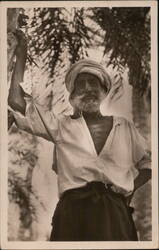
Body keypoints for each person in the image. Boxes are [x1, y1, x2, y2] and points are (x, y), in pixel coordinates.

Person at [8, 30, 151, 241]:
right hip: (72, 212)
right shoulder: (62, 125)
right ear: (72, 94)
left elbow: (149, 163)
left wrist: (128, 191)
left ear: (104, 89)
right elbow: (17, 102)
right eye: (80, 84)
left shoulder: (124, 126)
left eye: (93, 83)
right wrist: (22, 52)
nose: (87, 88)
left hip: (115, 213)